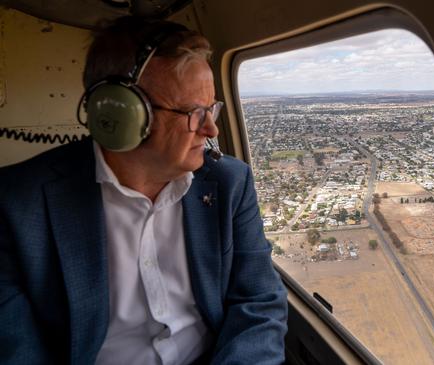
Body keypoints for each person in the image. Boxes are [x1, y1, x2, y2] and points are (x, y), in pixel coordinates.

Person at [0, 16, 287, 364]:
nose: (211, 129)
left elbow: (259, 302)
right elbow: (14, 347)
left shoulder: (230, 183)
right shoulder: (18, 203)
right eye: (194, 113)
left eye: (212, 109)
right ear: (122, 115)